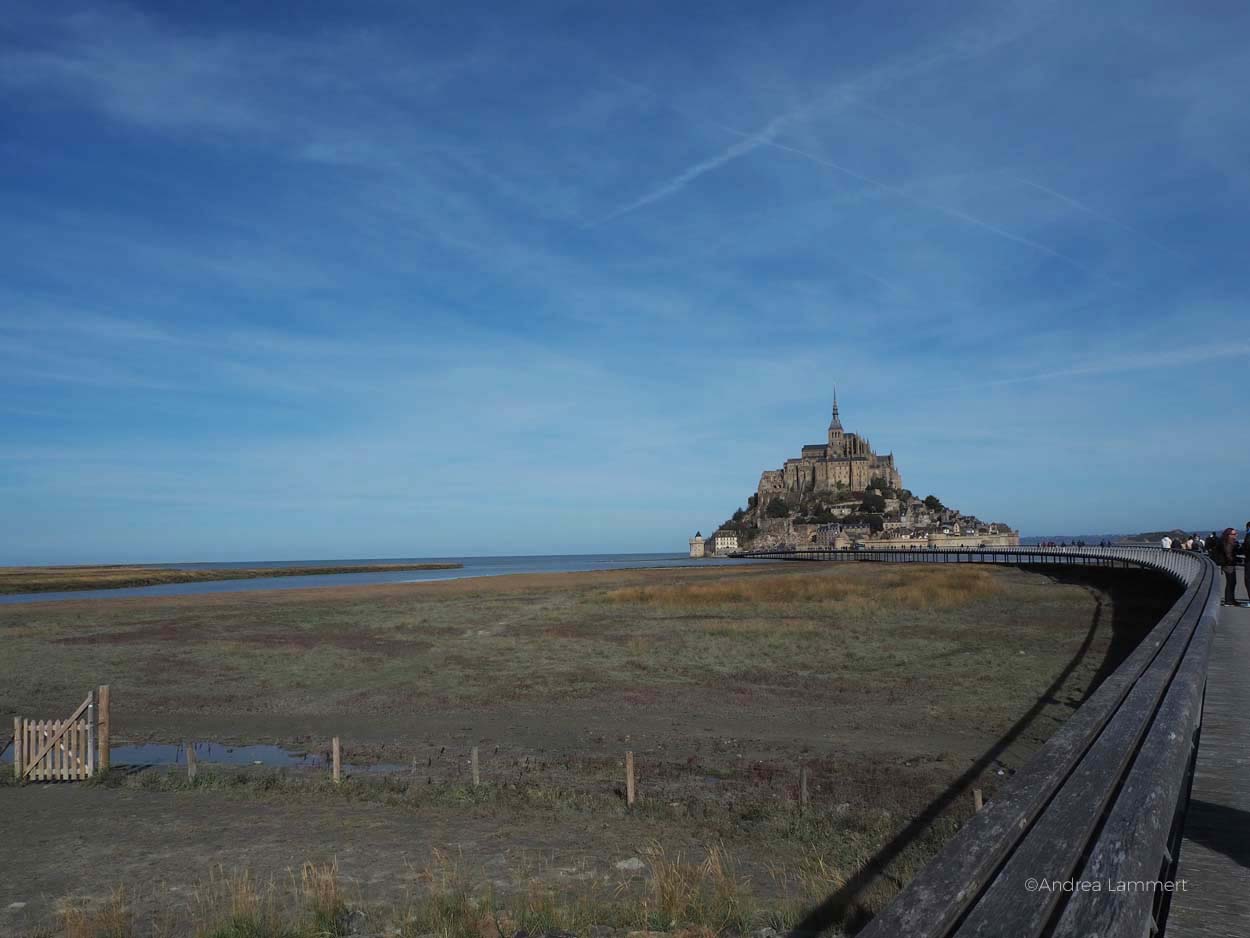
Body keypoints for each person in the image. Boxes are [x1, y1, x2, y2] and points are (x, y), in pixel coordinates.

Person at [1216, 527, 1239, 606]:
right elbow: (1228, 554)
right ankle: (1229, 601)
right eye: (1233, 534)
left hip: (1227, 564)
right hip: (1229, 565)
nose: (1236, 535)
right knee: (1231, 582)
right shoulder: (1229, 543)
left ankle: (1231, 600)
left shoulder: (1225, 541)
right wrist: (1233, 560)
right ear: (1228, 535)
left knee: (1231, 582)